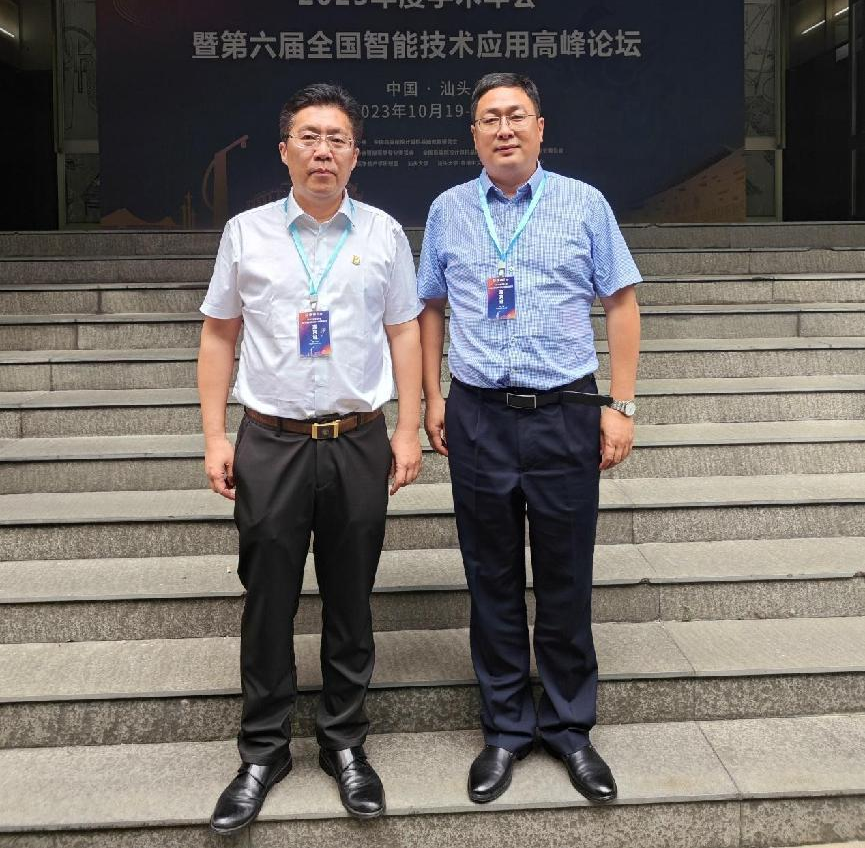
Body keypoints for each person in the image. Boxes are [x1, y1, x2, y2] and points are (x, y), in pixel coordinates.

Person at [198, 83, 422, 835]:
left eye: (337, 138)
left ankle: (344, 742)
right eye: (309, 136)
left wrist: (408, 428)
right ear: (285, 149)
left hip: (358, 437)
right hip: (271, 440)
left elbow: (404, 332)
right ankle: (262, 751)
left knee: (352, 596)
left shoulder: (384, 234)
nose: (323, 150)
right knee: (268, 598)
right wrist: (215, 435)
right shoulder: (246, 233)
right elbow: (219, 334)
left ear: (355, 154)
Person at [417, 72, 641, 806]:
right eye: (489, 119)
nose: (504, 128)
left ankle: (571, 727)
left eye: (516, 115)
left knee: (566, 573)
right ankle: (506, 727)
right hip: (478, 413)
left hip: (564, 412)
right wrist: (433, 397)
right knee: (490, 576)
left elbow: (621, 301)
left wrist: (621, 405)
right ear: (474, 134)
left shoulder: (584, 202)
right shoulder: (448, 210)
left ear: (540, 127)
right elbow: (430, 308)